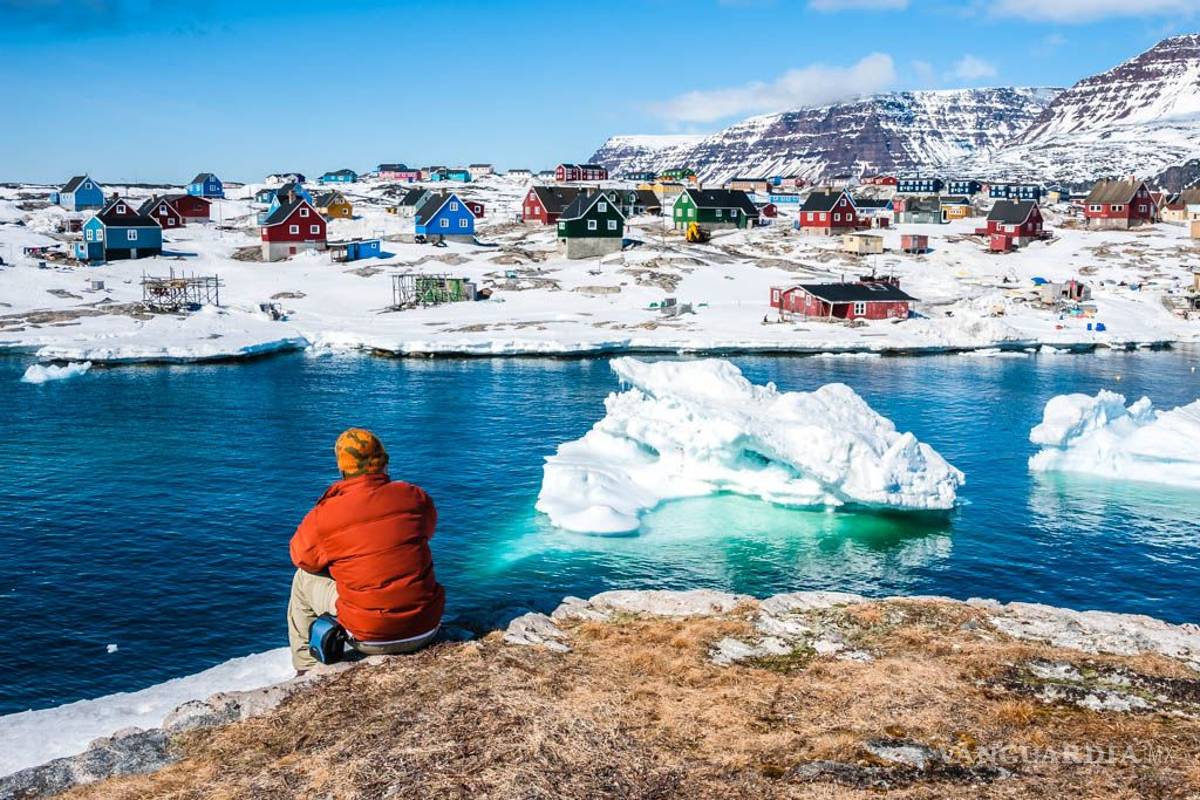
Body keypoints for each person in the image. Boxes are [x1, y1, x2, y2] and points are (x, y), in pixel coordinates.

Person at [287, 428, 444, 672]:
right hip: (427, 627)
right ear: (385, 463)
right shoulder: (415, 497)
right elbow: (427, 530)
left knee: (303, 578)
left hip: (371, 638)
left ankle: (307, 668)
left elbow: (301, 558)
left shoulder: (326, 514)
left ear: (342, 470)